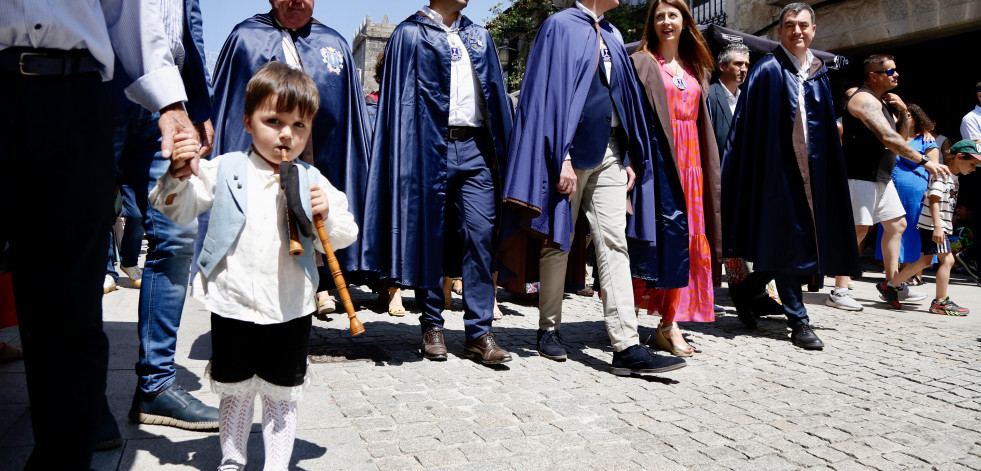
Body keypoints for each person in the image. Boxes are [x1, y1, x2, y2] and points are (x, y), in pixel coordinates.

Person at [1, 2, 205, 468]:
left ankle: (67, 454)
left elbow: (129, 11)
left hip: (73, 93)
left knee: (68, 298)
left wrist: (174, 105)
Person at [151, 62, 358, 471]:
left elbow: (346, 231)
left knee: (283, 393)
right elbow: (179, 206)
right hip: (234, 303)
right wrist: (177, 176)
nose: (286, 134)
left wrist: (326, 212)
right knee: (235, 391)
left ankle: (277, 464)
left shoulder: (312, 178)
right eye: (274, 120)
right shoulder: (226, 168)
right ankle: (232, 458)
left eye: (299, 125)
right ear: (248, 122)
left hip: (290, 305)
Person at [500, 0, 687, 375]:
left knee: (614, 242)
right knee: (558, 240)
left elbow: (626, 98)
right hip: (571, 153)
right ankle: (548, 329)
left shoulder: (615, 34)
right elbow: (547, 95)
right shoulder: (559, 26)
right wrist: (561, 156)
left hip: (612, 151)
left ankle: (626, 346)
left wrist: (632, 154)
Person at [362, 0, 514, 365]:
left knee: (480, 234)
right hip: (429, 147)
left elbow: (496, 96)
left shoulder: (478, 36)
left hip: (476, 147)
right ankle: (432, 325)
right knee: (431, 236)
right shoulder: (408, 34)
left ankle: (479, 333)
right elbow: (397, 107)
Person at [210, 0, 371, 315]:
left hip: (321, 154)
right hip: (260, 161)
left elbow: (350, 117)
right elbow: (227, 109)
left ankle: (320, 284)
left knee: (321, 213)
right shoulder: (245, 38)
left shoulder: (334, 43)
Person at [722, 3, 860, 350]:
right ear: (779, 32)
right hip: (777, 174)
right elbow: (747, 130)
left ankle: (749, 288)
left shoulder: (819, 72)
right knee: (786, 240)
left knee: (805, 242)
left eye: (803, 25)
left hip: (815, 172)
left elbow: (825, 129)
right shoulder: (767, 69)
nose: (796, 31)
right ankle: (799, 320)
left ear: (813, 29)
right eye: (789, 25)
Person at [115, 0, 220, 432]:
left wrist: (196, 102)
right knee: (78, 235)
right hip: (104, 84)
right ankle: (73, 395)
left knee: (177, 236)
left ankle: (155, 386)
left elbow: (187, 22)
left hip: (168, 99)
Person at [629, 0, 721, 357]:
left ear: (685, 21)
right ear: (652, 23)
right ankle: (661, 323)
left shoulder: (698, 67)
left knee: (687, 242)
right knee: (663, 241)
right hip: (660, 163)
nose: (666, 21)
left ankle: (670, 321)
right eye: (659, 16)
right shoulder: (643, 63)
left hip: (692, 165)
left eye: (673, 15)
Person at [827, 54, 949, 311]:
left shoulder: (880, 102)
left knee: (897, 225)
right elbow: (886, 137)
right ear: (874, 75)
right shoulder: (862, 99)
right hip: (861, 175)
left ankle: (892, 285)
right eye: (890, 71)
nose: (896, 75)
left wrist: (904, 111)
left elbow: (899, 137)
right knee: (858, 230)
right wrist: (924, 161)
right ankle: (839, 290)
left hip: (881, 178)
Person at [878, 140, 981, 316]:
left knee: (925, 261)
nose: (973, 168)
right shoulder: (944, 175)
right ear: (958, 157)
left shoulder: (953, 176)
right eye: (972, 164)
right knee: (947, 261)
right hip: (935, 226)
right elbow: (933, 200)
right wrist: (938, 227)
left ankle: (890, 286)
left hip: (938, 226)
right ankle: (940, 302)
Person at [874, 104, 939, 285]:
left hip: (916, 194)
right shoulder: (890, 139)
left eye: (907, 114)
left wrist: (929, 191)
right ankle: (895, 277)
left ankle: (914, 275)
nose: (903, 117)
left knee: (913, 232)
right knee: (892, 230)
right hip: (890, 191)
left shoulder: (927, 141)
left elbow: (935, 171)